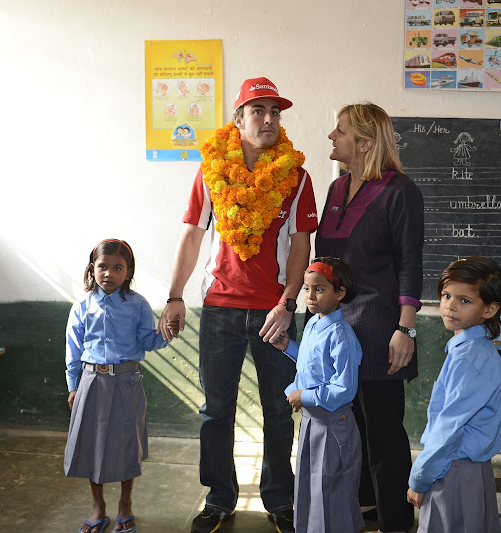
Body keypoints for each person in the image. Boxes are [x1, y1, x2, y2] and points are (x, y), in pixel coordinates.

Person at [157, 77, 318, 533]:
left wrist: (288, 304)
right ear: (238, 118)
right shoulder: (211, 172)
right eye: (258, 111)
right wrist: (174, 296)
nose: (269, 120)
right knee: (216, 410)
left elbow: (302, 246)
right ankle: (219, 498)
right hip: (220, 309)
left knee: (278, 409)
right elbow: (192, 236)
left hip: (275, 312)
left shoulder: (296, 177)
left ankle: (280, 500)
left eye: (275, 112)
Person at [315, 102, 424, 533]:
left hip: (381, 331)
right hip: (337, 331)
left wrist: (406, 327)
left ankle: (397, 521)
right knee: (349, 431)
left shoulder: (400, 191)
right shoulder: (336, 188)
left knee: (382, 436)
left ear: (363, 143)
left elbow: (410, 264)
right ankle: (362, 511)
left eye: (339, 131)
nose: (331, 137)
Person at [64, 239, 178, 533]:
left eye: (117, 267)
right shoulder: (82, 306)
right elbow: (73, 351)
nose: (109, 273)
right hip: (91, 383)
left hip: (127, 381)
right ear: (93, 269)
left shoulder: (137, 305)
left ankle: (125, 506)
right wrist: (73, 386)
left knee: (129, 446)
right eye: (102, 266)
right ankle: (98, 508)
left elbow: (148, 342)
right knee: (92, 447)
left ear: (128, 272)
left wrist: (167, 332)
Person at [407, 256, 501, 533]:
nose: (450, 306)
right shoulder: (468, 349)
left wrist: (419, 478)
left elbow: (448, 428)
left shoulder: (470, 359)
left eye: (465, 301)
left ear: (489, 309)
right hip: (458, 467)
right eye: (446, 295)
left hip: (452, 470)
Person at [270, 257, 363, 533]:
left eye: (319, 289)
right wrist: (289, 347)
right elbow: (312, 364)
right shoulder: (313, 324)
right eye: (307, 289)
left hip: (334, 424)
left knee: (332, 491)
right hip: (313, 422)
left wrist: (304, 396)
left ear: (340, 293)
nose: (310, 296)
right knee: (311, 486)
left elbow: (343, 389)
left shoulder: (341, 335)